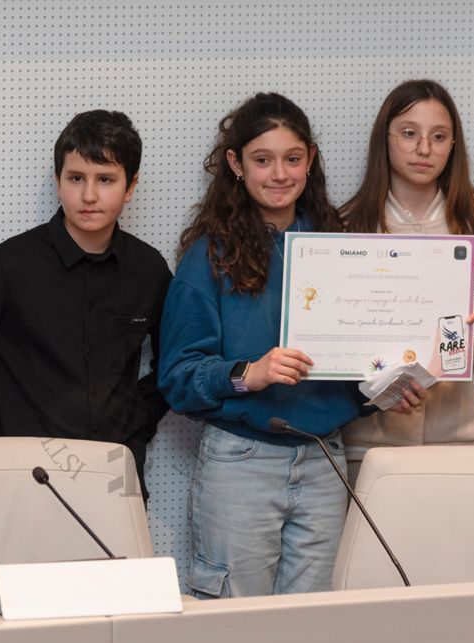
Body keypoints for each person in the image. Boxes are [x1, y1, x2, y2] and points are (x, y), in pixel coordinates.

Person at [158, 92, 417, 599]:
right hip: (241, 462)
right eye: (262, 160)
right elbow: (177, 378)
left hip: (325, 460)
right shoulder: (208, 257)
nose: (279, 174)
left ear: (311, 159)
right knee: (234, 625)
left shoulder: (343, 248)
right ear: (235, 164)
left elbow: (355, 370)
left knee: (310, 628)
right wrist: (247, 373)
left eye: (292, 159)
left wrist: (388, 388)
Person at [0, 110, 171, 499]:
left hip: (113, 480)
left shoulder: (148, 269)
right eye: (76, 178)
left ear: (130, 186)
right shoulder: (11, 265)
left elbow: (177, 365)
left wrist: (135, 422)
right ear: (57, 181)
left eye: (105, 179)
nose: (89, 195)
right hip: (18, 483)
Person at [339, 80, 474, 475]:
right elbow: (334, 341)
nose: (424, 148)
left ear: (453, 145)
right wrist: (376, 387)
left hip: (463, 439)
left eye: (438, 137)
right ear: (385, 139)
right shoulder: (347, 226)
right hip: (370, 444)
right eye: (409, 134)